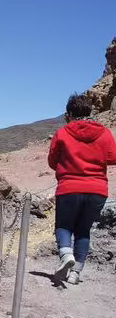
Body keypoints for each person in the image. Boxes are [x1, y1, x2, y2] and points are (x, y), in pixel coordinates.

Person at [48, 93, 116, 284]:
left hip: (69, 188)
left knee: (63, 226)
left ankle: (66, 255)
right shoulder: (104, 132)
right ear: (89, 111)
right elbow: (113, 157)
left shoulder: (62, 133)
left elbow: (53, 161)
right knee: (83, 230)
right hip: (97, 190)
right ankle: (76, 273)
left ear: (69, 113)